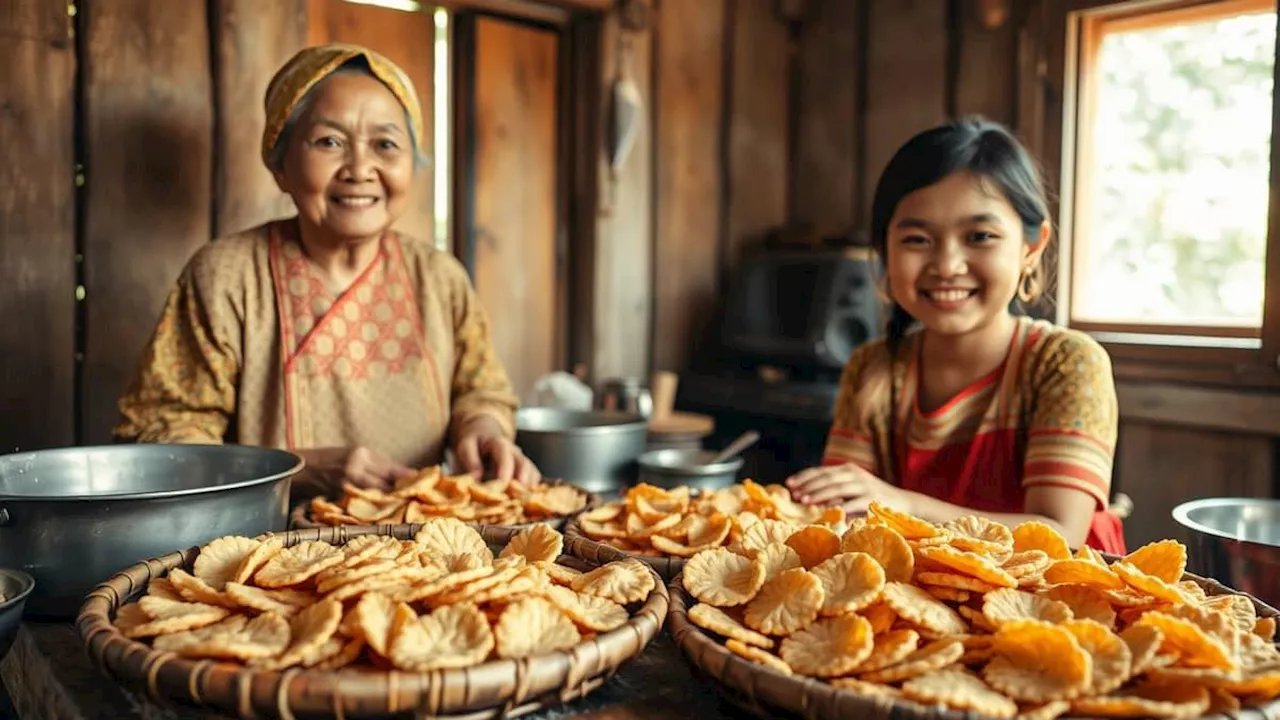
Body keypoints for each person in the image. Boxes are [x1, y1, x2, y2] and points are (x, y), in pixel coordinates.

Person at [114, 43, 542, 494]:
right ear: (281, 165)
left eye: (386, 144)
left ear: (410, 167)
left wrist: (484, 429)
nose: (360, 169)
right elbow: (161, 433)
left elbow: (482, 390)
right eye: (330, 142)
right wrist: (295, 471)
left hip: (424, 548)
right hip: (262, 550)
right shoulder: (225, 278)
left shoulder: (440, 278)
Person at [785, 117, 1124, 554]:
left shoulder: (1066, 363)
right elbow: (846, 513)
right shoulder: (872, 367)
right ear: (884, 249)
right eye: (918, 239)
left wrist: (904, 505)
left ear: (1031, 247)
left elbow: (1060, 534)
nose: (947, 264)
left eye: (980, 236)